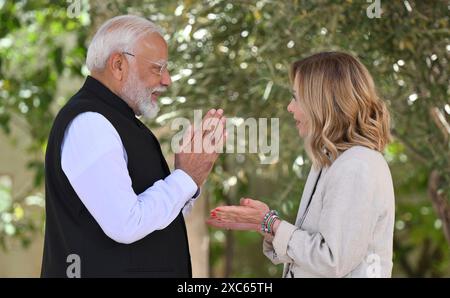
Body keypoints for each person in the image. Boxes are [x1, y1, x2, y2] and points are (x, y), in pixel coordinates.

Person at [41, 15, 225, 277]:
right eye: (157, 68)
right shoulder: (90, 123)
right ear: (118, 65)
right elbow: (126, 223)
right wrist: (185, 178)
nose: (167, 80)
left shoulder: (116, 120)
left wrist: (189, 180)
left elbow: (147, 215)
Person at [207, 51, 395, 278]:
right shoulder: (331, 162)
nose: (289, 107)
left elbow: (331, 262)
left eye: (296, 98)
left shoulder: (357, 166)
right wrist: (266, 226)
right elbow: (312, 256)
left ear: (321, 103)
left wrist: (272, 223)